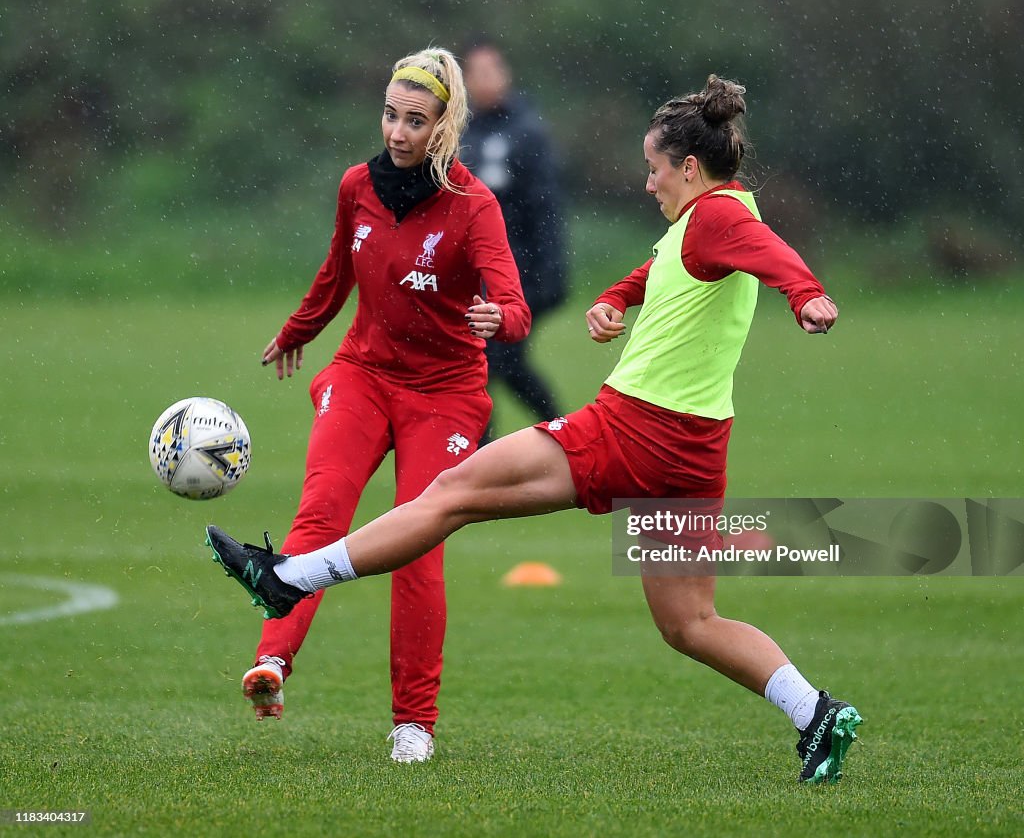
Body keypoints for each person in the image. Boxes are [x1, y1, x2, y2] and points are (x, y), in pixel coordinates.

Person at [207, 75, 862, 784]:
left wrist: (808, 296)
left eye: (654, 170)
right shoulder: (703, 224)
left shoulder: (721, 220)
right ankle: (816, 713)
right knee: (690, 624)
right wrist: (615, 298)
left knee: (452, 492)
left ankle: (289, 580)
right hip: (696, 450)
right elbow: (662, 270)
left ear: (690, 170)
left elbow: (769, 254)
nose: (648, 184)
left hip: (634, 431)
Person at [239, 46, 530, 763]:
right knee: (322, 510)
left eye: (416, 120)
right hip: (363, 373)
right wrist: (295, 332)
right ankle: (272, 663)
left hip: (446, 394)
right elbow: (335, 274)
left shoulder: (473, 205)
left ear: (445, 125)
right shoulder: (355, 187)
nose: (398, 132)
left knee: (418, 554)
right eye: (390, 116)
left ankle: (413, 724)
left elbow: (514, 306)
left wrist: (503, 322)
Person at [460, 40, 568, 439]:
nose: (486, 80)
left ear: (506, 75)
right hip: (472, 275)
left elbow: (546, 208)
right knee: (491, 363)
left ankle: (554, 430)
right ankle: (558, 430)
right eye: (477, 72)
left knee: (493, 362)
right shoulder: (459, 132)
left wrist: (551, 273)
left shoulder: (528, 132)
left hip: (520, 272)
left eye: (493, 70)